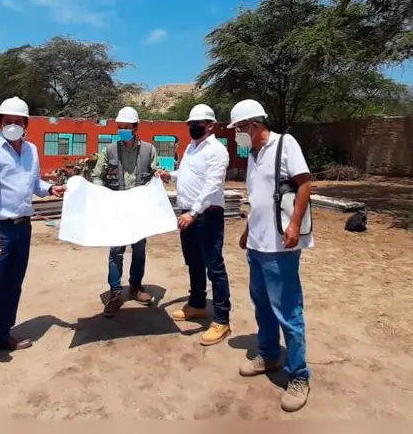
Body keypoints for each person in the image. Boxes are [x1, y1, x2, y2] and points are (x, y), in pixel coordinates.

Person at [0, 97, 66, 376]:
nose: (12, 126)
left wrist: (49, 190)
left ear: (26, 124)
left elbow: (33, 184)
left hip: (23, 227)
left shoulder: (31, 150)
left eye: (17, 121)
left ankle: (1, 334)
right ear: (0, 123)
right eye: (6, 121)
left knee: (13, 285)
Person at [227, 99, 313, 412]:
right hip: (258, 245)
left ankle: (299, 375)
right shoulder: (253, 154)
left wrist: (293, 225)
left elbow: (304, 185)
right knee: (262, 304)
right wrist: (249, 231)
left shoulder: (284, 144)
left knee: (288, 310)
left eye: (238, 129)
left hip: (281, 246)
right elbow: (258, 197)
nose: (236, 135)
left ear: (253, 125)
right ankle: (268, 355)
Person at [156, 104, 232, 346]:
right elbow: (189, 174)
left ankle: (221, 319)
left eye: (196, 123)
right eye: (189, 124)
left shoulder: (217, 151)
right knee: (194, 262)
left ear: (210, 125)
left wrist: (194, 212)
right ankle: (197, 304)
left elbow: (211, 185)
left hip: (206, 215)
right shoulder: (191, 147)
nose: (192, 127)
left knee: (214, 266)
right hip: (188, 213)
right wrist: (171, 175)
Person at [92, 105, 158, 317]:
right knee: (116, 252)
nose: (123, 130)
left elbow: (156, 175)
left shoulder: (149, 150)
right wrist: (102, 193)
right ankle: (115, 293)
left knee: (139, 251)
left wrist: (160, 177)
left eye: (127, 127)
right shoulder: (109, 150)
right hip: (117, 209)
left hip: (139, 210)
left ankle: (136, 287)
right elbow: (97, 176)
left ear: (136, 127)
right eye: (120, 127)